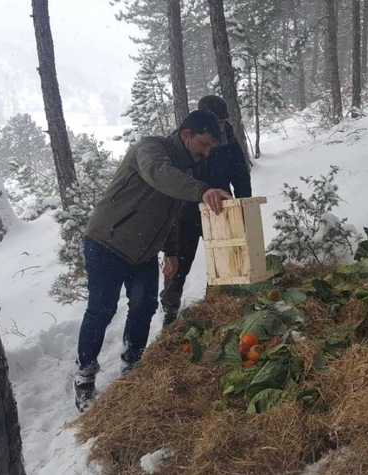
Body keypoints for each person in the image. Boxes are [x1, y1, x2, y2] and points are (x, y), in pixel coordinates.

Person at [74, 110, 232, 411]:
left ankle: (132, 367)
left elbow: (169, 215)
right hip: (107, 240)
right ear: (186, 135)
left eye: (211, 147)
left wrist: (170, 251)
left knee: (144, 306)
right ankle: (84, 378)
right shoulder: (151, 150)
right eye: (204, 143)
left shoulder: (184, 167)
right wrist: (202, 191)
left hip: (143, 251)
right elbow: (159, 176)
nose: (206, 151)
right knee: (101, 309)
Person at [159, 96, 252, 325]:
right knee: (178, 263)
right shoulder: (184, 139)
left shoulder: (230, 141)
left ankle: (216, 308)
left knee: (223, 263)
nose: (218, 126)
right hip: (186, 212)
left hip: (221, 211)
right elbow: (170, 178)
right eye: (214, 120)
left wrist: (242, 211)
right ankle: (170, 311)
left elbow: (241, 177)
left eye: (221, 121)